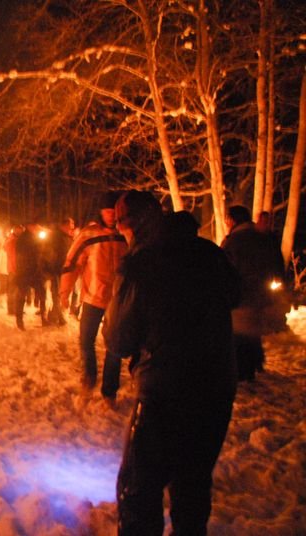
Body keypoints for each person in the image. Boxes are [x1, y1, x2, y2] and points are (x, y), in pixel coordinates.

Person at [103, 191, 240, 536]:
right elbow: (236, 295)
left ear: (130, 225)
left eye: (122, 227)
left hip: (163, 396)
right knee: (192, 485)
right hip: (216, 389)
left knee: (138, 492)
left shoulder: (140, 263)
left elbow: (119, 341)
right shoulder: (210, 253)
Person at [60, 192, 127, 401]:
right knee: (86, 340)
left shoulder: (127, 234)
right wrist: (65, 291)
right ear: (100, 212)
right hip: (93, 298)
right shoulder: (89, 235)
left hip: (118, 299)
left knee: (114, 346)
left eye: (113, 211)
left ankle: (110, 390)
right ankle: (89, 378)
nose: (111, 215)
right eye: (107, 211)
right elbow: (72, 263)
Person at [221, 205, 285, 380]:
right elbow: (274, 262)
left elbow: (224, 267)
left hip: (241, 293)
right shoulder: (261, 238)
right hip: (259, 293)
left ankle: (244, 370)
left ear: (232, 220)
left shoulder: (234, 241)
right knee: (251, 330)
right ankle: (254, 363)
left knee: (240, 332)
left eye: (227, 219)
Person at [12, 224, 39, 330]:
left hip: (31, 271)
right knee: (21, 296)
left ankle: (45, 317)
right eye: (36, 227)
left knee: (40, 292)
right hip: (25, 272)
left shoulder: (31, 238)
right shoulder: (24, 239)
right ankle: (19, 320)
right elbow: (23, 256)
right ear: (30, 227)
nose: (37, 229)